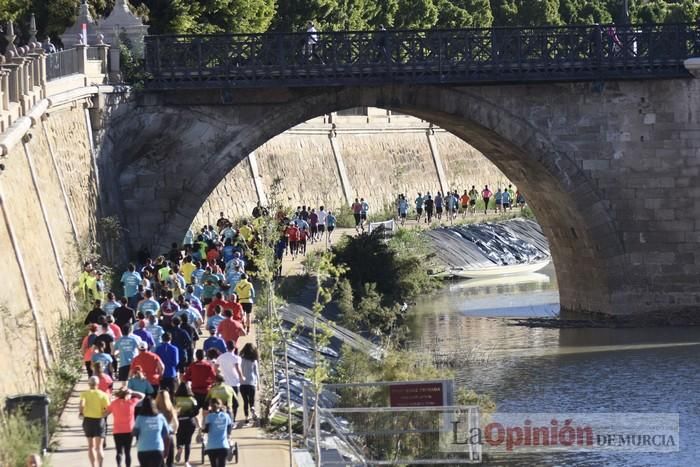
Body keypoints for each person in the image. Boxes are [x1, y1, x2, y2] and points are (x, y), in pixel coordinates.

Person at [106, 387, 144, 467]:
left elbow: (106, 413)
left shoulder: (114, 403)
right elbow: (142, 395)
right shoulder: (131, 402)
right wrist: (132, 392)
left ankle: (119, 465)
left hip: (117, 431)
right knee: (127, 452)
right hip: (129, 430)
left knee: (119, 451)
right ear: (127, 394)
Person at [79, 376, 110, 467]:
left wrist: (81, 412)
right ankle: (100, 465)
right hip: (99, 420)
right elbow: (109, 408)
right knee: (99, 447)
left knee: (90, 446)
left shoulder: (84, 394)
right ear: (98, 384)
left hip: (88, 420)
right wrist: (104, 415)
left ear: (89, 384)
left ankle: (93, 465)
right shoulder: (103, 394)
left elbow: (82, 404)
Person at [133, 397, 172, 467]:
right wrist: (166, 451)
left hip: (143, 449)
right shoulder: (160, 417)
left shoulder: (139, 418)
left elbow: (134, 432)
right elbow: (167, 436)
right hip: (157, 449)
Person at [215, 340, 244, 423]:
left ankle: (223, 418)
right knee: (235, 403)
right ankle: (233, 419)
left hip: (224, 382)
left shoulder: (220, 357)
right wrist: (242, 377)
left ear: (226, 347)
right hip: (234, 383)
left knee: (224, 402)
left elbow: (215, 367)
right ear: (234, 347)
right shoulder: (237, 358)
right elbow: (238, 369)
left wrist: (219, 374)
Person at [202, 398, 234, 467]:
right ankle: (231, 446)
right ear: (221, 405)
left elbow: (206, 430)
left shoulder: (209, 417)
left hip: (211, 446)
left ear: (210, 405)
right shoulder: (226, 416)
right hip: (223, 446)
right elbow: (229, 428)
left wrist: (201, 430)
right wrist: (228, 435)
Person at [174, 382, 200, 467]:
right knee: (188, 442)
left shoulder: (175, 399)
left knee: (179, 437)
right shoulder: (192, 399)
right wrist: (190, 414)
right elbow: (196, 411)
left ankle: (180, 448)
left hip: (179, 422)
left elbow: (172, 409)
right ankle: (186, 462)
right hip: (189, 422)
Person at [156, 391, 178, 467]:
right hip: (169, 434)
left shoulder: (156, 409)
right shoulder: (170, 409)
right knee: (170, 458)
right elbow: (176, 423)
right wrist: (175, 430)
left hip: (158, 435)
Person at [239, 343, 259, 424]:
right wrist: (258, 384)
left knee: (245, 401)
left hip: (242, 383)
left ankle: (246, 417)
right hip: (252, 382)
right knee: (251, 400)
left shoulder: (241, 360)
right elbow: (256, 372)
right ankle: (253, 408)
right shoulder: (254, 361)